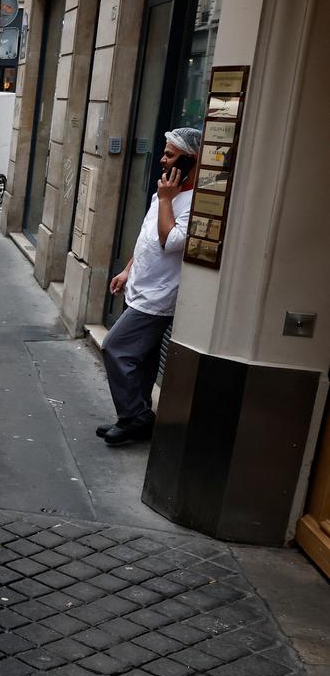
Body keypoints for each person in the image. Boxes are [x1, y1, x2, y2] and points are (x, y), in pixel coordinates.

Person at [96, 128, 201, 447]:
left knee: (114, 347)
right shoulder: (165, 192)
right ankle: (137, 417)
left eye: (170, 155)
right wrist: (128, 270)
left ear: (189, 161)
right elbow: (148, 238)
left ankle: (134, 416)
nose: (162, 159)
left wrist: (168, 199)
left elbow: (171, 242)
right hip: (140, 287)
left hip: (158, 297)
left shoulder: (191, 200)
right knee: (141, 359)